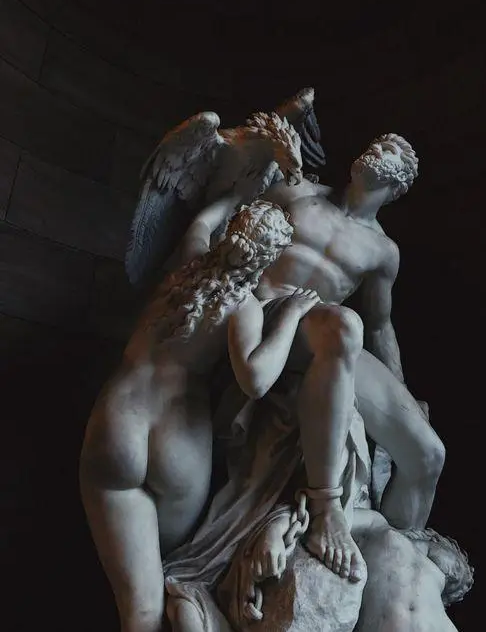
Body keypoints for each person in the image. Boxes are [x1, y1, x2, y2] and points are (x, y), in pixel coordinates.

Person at [182, 133, 446, 580]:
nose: (374, 150)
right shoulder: (298, 192)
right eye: (375, 144)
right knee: (343, 324)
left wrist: (405, 391)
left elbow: (380, 327)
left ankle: (394, 576)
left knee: (428, 454)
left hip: (328, 331)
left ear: (399, 184)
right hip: (268, 314)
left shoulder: (383, 252)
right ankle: (325, 508)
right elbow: (232, 225)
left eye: (387, 151)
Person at [80, 200, 321, 632]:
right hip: (179, 440)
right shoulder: (244, 306)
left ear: (233, 231)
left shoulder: (186, 264)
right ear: (268, 258)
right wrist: (290, 315)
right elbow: (256, 380)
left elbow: (201, 221)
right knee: (162, 588)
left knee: (136, 606)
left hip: (118, 419)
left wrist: (240, 192)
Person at [352, 510, 474, 631]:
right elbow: (343, 521)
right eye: (457, 566)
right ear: (436, 539)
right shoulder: (378, 524)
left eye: (453, 584)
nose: (453, 574)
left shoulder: (433, 575)